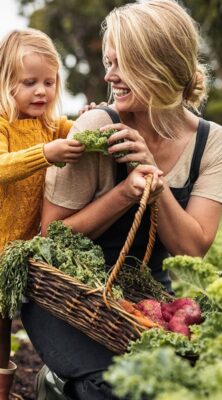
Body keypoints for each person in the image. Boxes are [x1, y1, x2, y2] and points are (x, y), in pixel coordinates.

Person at [22, 0, 222, 399]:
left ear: (158, 65)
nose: (109, 76)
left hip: (143, 296)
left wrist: (153, 176)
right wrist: (125, 192)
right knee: (114, 388)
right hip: (68, 294)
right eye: (108, 62)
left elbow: (191, 248)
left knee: (184, 385)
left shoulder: (214, 143)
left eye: (121, 64)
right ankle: (56, 384)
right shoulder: (98, 127)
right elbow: (50, 236)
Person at [0, 28, 85, 400]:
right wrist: (45, 154)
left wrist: (89, 116)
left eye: (49, 82)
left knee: (4, 327)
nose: (41, 91)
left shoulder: (51, 125)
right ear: (6, 82)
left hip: (13, 254)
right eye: (29, 82)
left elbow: (79, 132)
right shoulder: (3, 123)